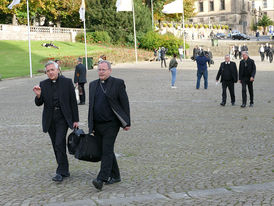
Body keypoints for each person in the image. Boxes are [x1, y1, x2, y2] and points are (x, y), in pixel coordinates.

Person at [33, 61, 79, 182]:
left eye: (52, 70)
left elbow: (73, 102)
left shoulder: (67, 82)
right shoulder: (43, 84)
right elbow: (39, 103)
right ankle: (65, 169)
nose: (50, 73)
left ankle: (60, 171)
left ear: (58, 70)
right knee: (55, 144)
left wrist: (75, 120)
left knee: (59, 142)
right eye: (48, 71)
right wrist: (38, 96)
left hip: (63, 118)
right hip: (50, 119)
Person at [88, 60, 131, 190]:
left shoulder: (118, 83)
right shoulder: (92, 85)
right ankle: (116, 175)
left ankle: (101, 178)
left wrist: (127, 122)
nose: (101, 72)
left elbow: (124, 103)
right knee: (106, 150)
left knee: (106, 150)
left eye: (103, 70)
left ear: (109, 70)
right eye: (99, 70)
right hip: (97, 124)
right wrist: (91, 126)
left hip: (112, 124)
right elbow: (91, 106)